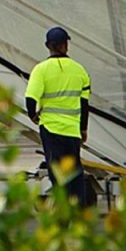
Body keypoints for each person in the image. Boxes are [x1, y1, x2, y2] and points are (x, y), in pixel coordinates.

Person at [25, 26, 93, 208]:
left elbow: (30, 99)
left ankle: (63, 214)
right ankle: (79, 210)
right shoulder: (80, 70)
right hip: (72, 131)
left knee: (58, 174)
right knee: (75, 172)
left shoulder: (40, 70)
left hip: (51, 129)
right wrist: (83, 129)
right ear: (65, 46)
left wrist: (33, 115)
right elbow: (84, 105)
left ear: (48, 45)